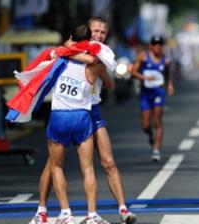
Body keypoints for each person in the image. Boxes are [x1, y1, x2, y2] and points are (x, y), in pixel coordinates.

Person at [29, 17, 136, 224]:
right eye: (95, 31)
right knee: (53, 163)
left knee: (108, 161)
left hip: (91, 110)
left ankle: (123, 210)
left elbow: (107, 75)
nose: (99, 36)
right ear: (88, 32)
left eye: (103, 33)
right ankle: (41, 209)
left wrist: (72, 52)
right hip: (78, 111)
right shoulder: (73, 52)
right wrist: (73, 51)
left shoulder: (101, 54)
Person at [46, 24, 109, 224]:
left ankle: (66, 213)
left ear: (71, 37)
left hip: (59, 116)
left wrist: (67, 47)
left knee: (56, 166)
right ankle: (92, 215)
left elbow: (52, 57)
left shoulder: (59, 58)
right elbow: (93, 59)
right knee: (88, 168)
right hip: (82, 116)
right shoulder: (94, 65)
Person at [130, 35, 174, 162]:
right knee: (145, 125)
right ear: (151, 45)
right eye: (155, 44)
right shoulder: (143, 56)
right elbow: (133, 71)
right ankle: (150, 136)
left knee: (157, 122)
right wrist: (142, 77)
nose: (157, 47)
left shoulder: (165, 60)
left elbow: (168, 73)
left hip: (158, 93)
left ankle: (156, 150)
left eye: (160, 44)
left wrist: (170, 84)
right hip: (145, 93)